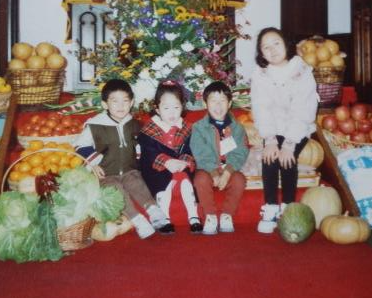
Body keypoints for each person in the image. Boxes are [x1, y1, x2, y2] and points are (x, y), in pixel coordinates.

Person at [74, 79, 171, 239]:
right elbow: (79, 146)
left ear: (131, 102)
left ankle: (153, 210)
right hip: (106, 173)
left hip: (129, 169)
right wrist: (92, 164)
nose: (121, 106)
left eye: (125, 101)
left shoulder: (134, 124)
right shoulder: (95, 125)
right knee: (117, 191)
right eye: (115, 101)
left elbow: (141, 145)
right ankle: (137, 219)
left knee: (137, 184)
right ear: (105, 104)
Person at [250, 28, 319, 234]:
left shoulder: (302, 70)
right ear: (261, 54)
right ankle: (271, 206)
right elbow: (261, 108)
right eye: (266, 47)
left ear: (286, 44)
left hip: (298, 127)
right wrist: (270, 139)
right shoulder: (260, 74)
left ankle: (288, 206)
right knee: (269, 157)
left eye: (276, 43)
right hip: (273, 127)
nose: (272, 50)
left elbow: (303, 110)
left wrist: (289, 144)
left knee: (287, 159)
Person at [138, 81, 203, 234]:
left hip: (181, 166)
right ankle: (165, 219)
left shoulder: (187, 128)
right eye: (166, 108)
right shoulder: (149, 129)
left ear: (183, 106)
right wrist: (166, 162)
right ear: (157, 109)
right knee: (163, 186)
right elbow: (148, 152)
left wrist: (184, 161)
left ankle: (194, 217)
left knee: (187, 182)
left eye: (176, 107)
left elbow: (190, 148)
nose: (172, 113)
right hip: (158, 169)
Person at [190, 81, 249, 235]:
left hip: (229, 168)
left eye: (222, 101)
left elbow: (241, 151)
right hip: (207, 169)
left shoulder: (237, 128)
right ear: (205, 103)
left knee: (239, 180)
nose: (218, 105)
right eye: (213, 101)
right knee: (200, 180)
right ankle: (210, 216)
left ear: (229, 104)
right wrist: (214, 172)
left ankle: (227, 215)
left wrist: (228, 172)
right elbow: (200, 152)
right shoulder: (198, 127)